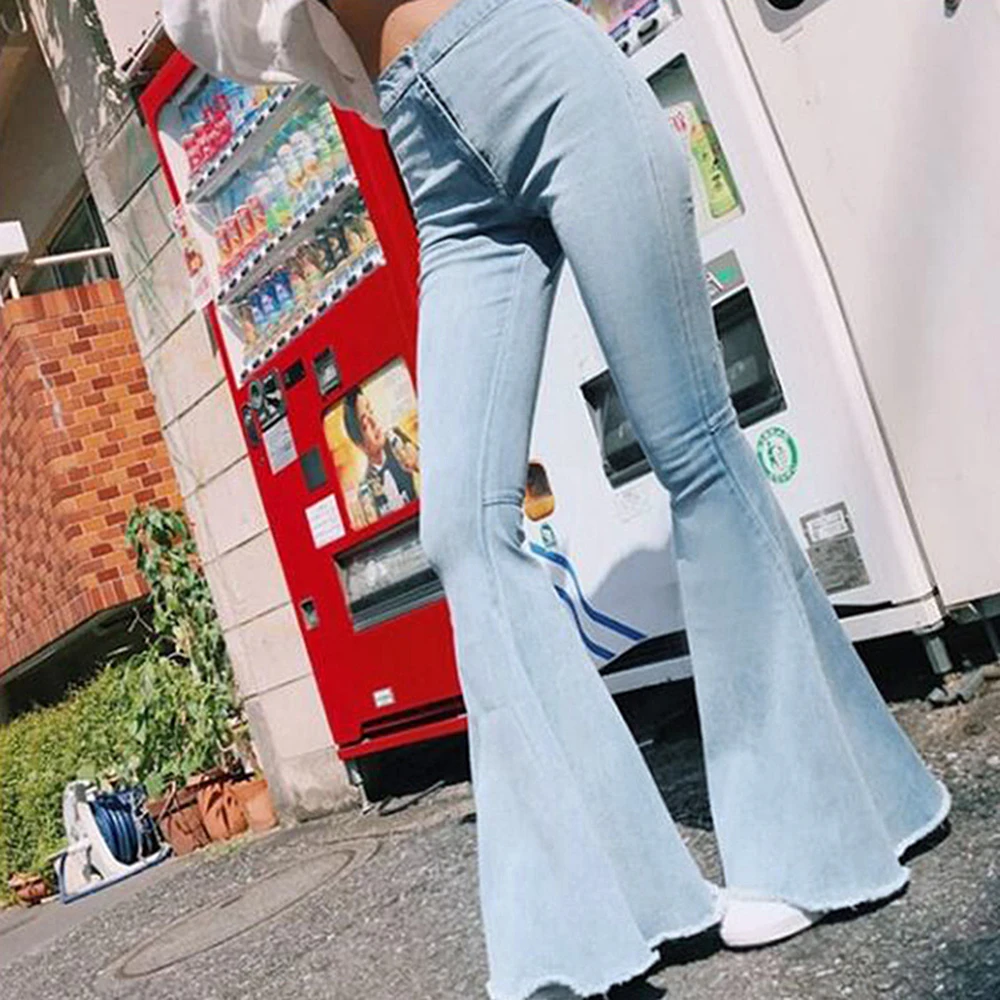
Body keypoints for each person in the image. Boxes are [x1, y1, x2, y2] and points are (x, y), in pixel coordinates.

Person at [163, 2, 951, 998]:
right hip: (431, 154)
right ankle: (603, 907)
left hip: (536, 63)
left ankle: (811, 841)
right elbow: (201, 28)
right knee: (461, 530)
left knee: (690, 445)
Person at [342, 385, 419, 513]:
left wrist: (417, 462)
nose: (374, 422)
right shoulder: (365, 489)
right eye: (365, 424)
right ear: (360, 445)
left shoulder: (397, 439)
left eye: (371, 411)